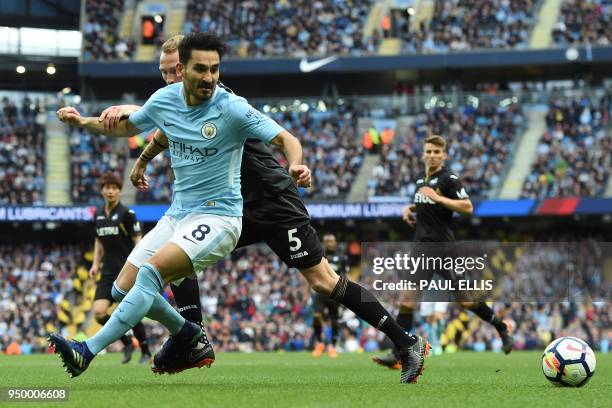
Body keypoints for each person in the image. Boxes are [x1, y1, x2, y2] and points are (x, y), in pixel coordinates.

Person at [50, 32, 426, 384]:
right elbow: (164, 127)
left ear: (185, 68)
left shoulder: (223, 102)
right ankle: (190, 336)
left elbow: (283, 138)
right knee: (174, 258)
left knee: (323, 281)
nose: (167, 78)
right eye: (163, 72)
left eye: (172, 71)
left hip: (272, 200)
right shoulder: (174, 100)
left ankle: (405, 341)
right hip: (229, 207)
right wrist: (142, 160)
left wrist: (295, 165)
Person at [372, 135, 513, 369]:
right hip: (421, 248)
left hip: (445, 250)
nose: (432, 155)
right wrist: (410, 208)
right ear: (423, 154)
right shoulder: (420, 180)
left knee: (466, 302)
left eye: (437, 152)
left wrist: (438, 197)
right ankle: (397, 353)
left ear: (444, 155)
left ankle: (501, 326)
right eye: (428, 151)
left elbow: (468, 207)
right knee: (406, 300)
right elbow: (426, 203)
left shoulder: (449, 179)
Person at [90, 172, 151, 364]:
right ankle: (126, 341)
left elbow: (138, 242)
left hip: (126, 270)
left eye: (115, 188)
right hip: (107, 271)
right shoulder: (98, 214)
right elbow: (99, 240)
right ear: (102, 190)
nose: (111, 191)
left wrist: (140, 266)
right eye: (107, 187)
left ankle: (145, 351)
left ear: (119, 191)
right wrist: (94, 264)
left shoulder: (127, 214)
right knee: (99, 312)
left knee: (131, 310)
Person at [311, 233, 349, 358]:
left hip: (334, 292)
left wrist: (344, 294)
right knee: (316, 316)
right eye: (326, 241)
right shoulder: (318, 254)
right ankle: (320, 343)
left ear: (335, 242)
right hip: (320, 291)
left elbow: (345, 276)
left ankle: (332, 346)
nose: (329, 243)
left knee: (334, 321)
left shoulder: (342, 257)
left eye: (331, 241)